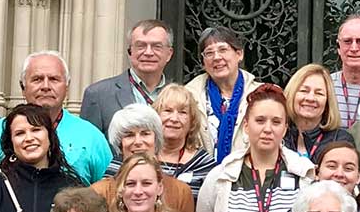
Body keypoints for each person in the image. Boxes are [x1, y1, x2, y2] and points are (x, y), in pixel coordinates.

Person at [0, 52, 113, 193]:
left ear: (67, 88)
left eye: (54, 79)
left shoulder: (90, 136)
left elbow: (111, 191)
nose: (46, 86)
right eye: (37, 79)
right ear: (23, 88)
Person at [80, 19, 179, 151]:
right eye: (140, 46)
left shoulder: (182, 97)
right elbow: (88, 150)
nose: (148, 52)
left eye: (157, 46)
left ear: (169, 54)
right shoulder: (98, 95)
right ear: (130, 52)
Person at [97, 108, 197, 212]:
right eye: (129, 135)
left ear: (156, 140)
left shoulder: (180, 191)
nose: (138, 142)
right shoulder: (100, 192)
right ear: (120, 143)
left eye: (145, 133)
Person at [189, 26, 259, 164]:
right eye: (209, 53)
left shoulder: (261, 95)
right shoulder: (190, 96)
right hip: (203, 177)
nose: (216, 57)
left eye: (223, 50)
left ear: (239, 54)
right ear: (203, 62)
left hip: (248, 177)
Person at [156, 83, 217, 192]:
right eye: (168, 111)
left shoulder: (205, 164)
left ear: (192, 121)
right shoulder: (139, 156)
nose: (174, 118)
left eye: (182, 112)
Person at [284, 62, 341, 160]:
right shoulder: (278, 135)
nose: (310, 98)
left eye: (319, 93)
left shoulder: (339, 141)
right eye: (304, 91)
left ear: (328, 101)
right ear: (292, 95)